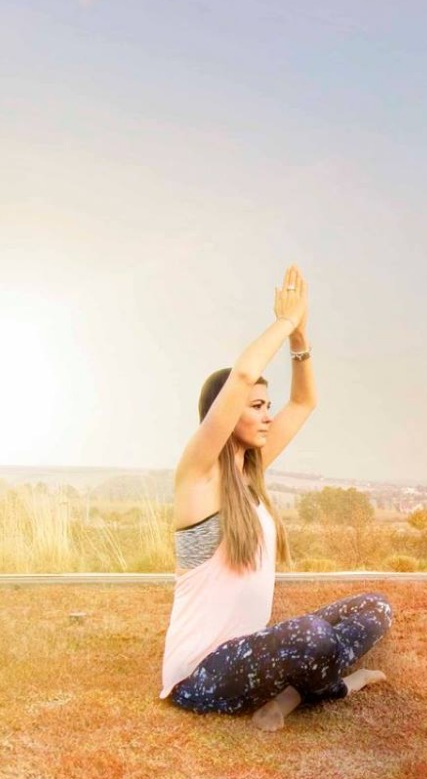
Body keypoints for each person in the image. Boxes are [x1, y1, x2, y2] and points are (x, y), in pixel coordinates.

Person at [160, 266, 391, 731]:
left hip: (255, 654)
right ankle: (333, 686)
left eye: (268, 406)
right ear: (225, 413)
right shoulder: (198, 476)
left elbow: (304, 402)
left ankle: (288, 694)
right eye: (257, 406)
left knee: (375, 606)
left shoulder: (251, 473)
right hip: (201, 677)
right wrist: (284, 320)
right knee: (311, 636)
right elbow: (244, 373)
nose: (268, 415)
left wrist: (300, 338)